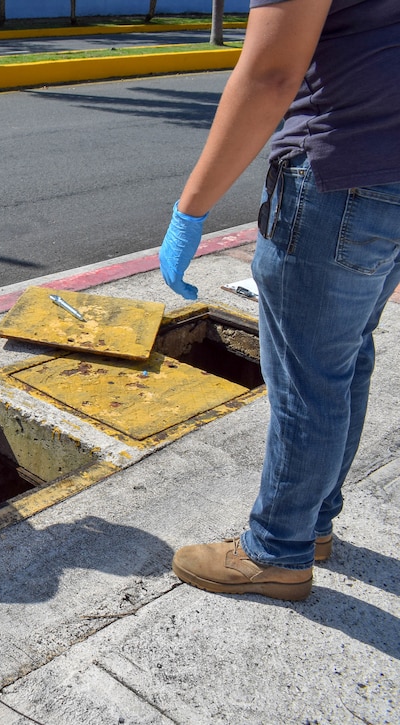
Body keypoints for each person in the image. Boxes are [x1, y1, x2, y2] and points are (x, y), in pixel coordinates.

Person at [160, 0, 400, 601]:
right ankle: (314, 523)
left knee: (307, 380)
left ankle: (275, 551)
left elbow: (271, 74)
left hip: (337, 180)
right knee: (345, 360)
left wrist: (189, 211)